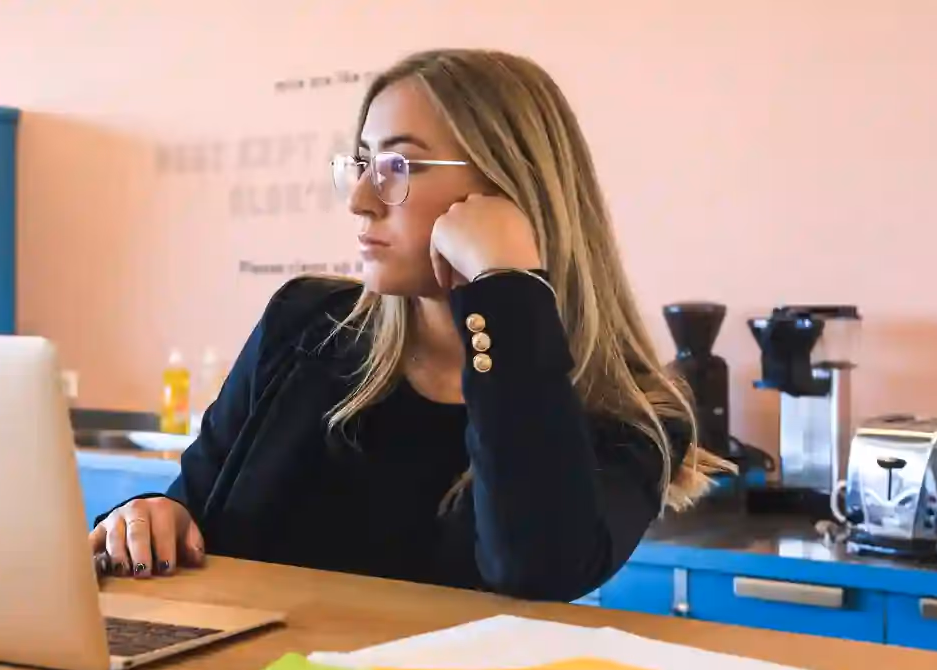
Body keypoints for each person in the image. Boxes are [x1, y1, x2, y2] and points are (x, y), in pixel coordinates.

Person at [89, 48, 733, 601]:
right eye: (362, 162)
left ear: (509, 190)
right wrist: (152, 518)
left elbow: (537, 571)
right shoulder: (305, 326)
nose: (359, 199)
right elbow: (190, 508)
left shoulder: (629, 415)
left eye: (399, 166)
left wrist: (506, 289)